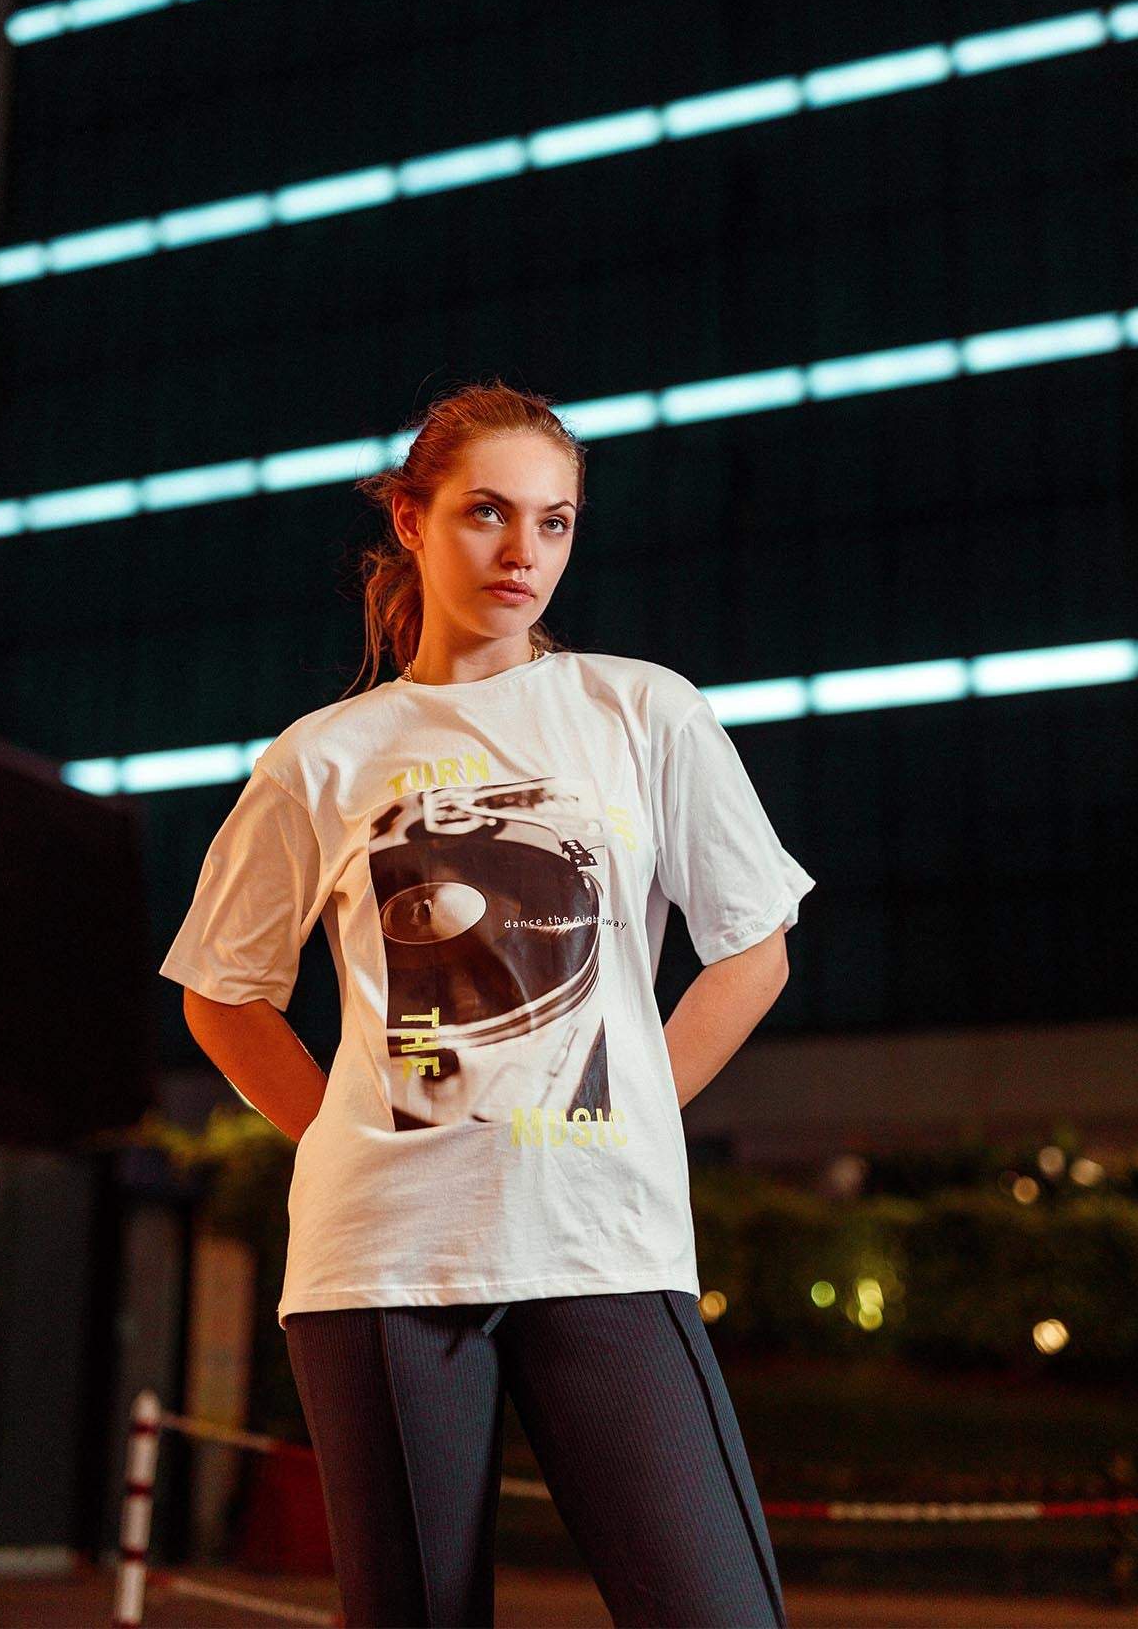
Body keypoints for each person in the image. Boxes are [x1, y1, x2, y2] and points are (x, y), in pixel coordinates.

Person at [159, 378, 815, 1628]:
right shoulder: (320, 757)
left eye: (555, 521)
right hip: (380, 1263)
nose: (525, 551)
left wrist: (632, 1104)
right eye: (487, 512)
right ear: (412, 520)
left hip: (602, 1241)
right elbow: (221, 995)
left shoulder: (642, 711)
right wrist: (345, 1136)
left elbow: (755, 951)